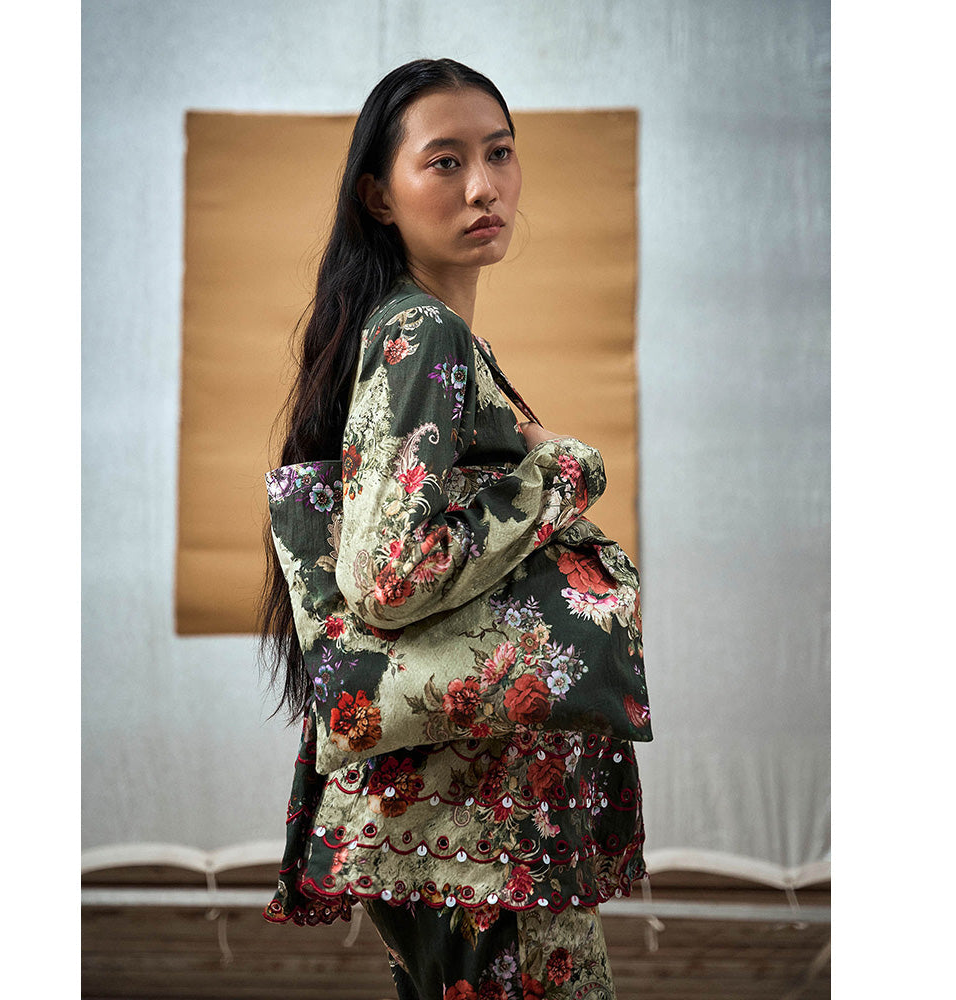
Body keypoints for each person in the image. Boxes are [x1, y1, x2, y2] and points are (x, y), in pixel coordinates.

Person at [259, 58, 650, 1000]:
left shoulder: (413, 330)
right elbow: (388, 575)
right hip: (477, 820)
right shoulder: (423, 334)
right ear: (378, 196)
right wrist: (563, 473)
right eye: (445, 161)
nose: (484, 186)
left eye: (500, 153)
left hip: (450, 819)